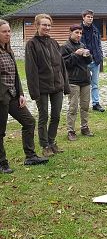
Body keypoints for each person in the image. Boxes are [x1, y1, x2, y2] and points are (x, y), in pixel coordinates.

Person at [0, 20, 49, 173]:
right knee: (0, 131)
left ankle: (30, 156)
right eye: (4, 32)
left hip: (14, 96)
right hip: (1, 97)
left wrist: (20, 93)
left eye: (9, 31)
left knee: (29, 122)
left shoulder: (8, 50)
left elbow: (15, 74)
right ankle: (2, 163)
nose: (8, 34)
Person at [25, 14, 70, 157]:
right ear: (37, 26)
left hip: (57, 85)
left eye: (49, 25)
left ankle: (52, 142)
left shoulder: (54, 43)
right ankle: (44, 145)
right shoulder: (31, 44)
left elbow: (62, 66)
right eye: (44, 25)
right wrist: (34, 91)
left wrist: (66, 85)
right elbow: (30, 69)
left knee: (56, 115)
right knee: (43, 116)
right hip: (41, 87)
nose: (47, 27)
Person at [61, 25, 94, 141]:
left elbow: (89, 61)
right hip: (73, 81)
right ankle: (70, 130)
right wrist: (76, 54)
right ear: (70, 32)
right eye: (76, 32)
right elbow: (65, 64)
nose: (79, 35)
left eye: (80, 33)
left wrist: (87, 55)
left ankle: (84, 127)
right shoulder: (65, 46)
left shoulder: (82, 45)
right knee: (73, 107)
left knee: (85, 106)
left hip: (85, 79)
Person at [80, 9, 105, 112]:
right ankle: (83, 104)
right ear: (83, 17)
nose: (90, 19)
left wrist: (100, 54)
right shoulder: (78, 29)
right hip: (83, 61)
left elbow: (98, 43)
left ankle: (96, 103)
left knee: (95, 84)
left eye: (91, 17)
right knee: (83, 84)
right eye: (88, 17)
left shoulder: (95, 29)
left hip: (95, 60)